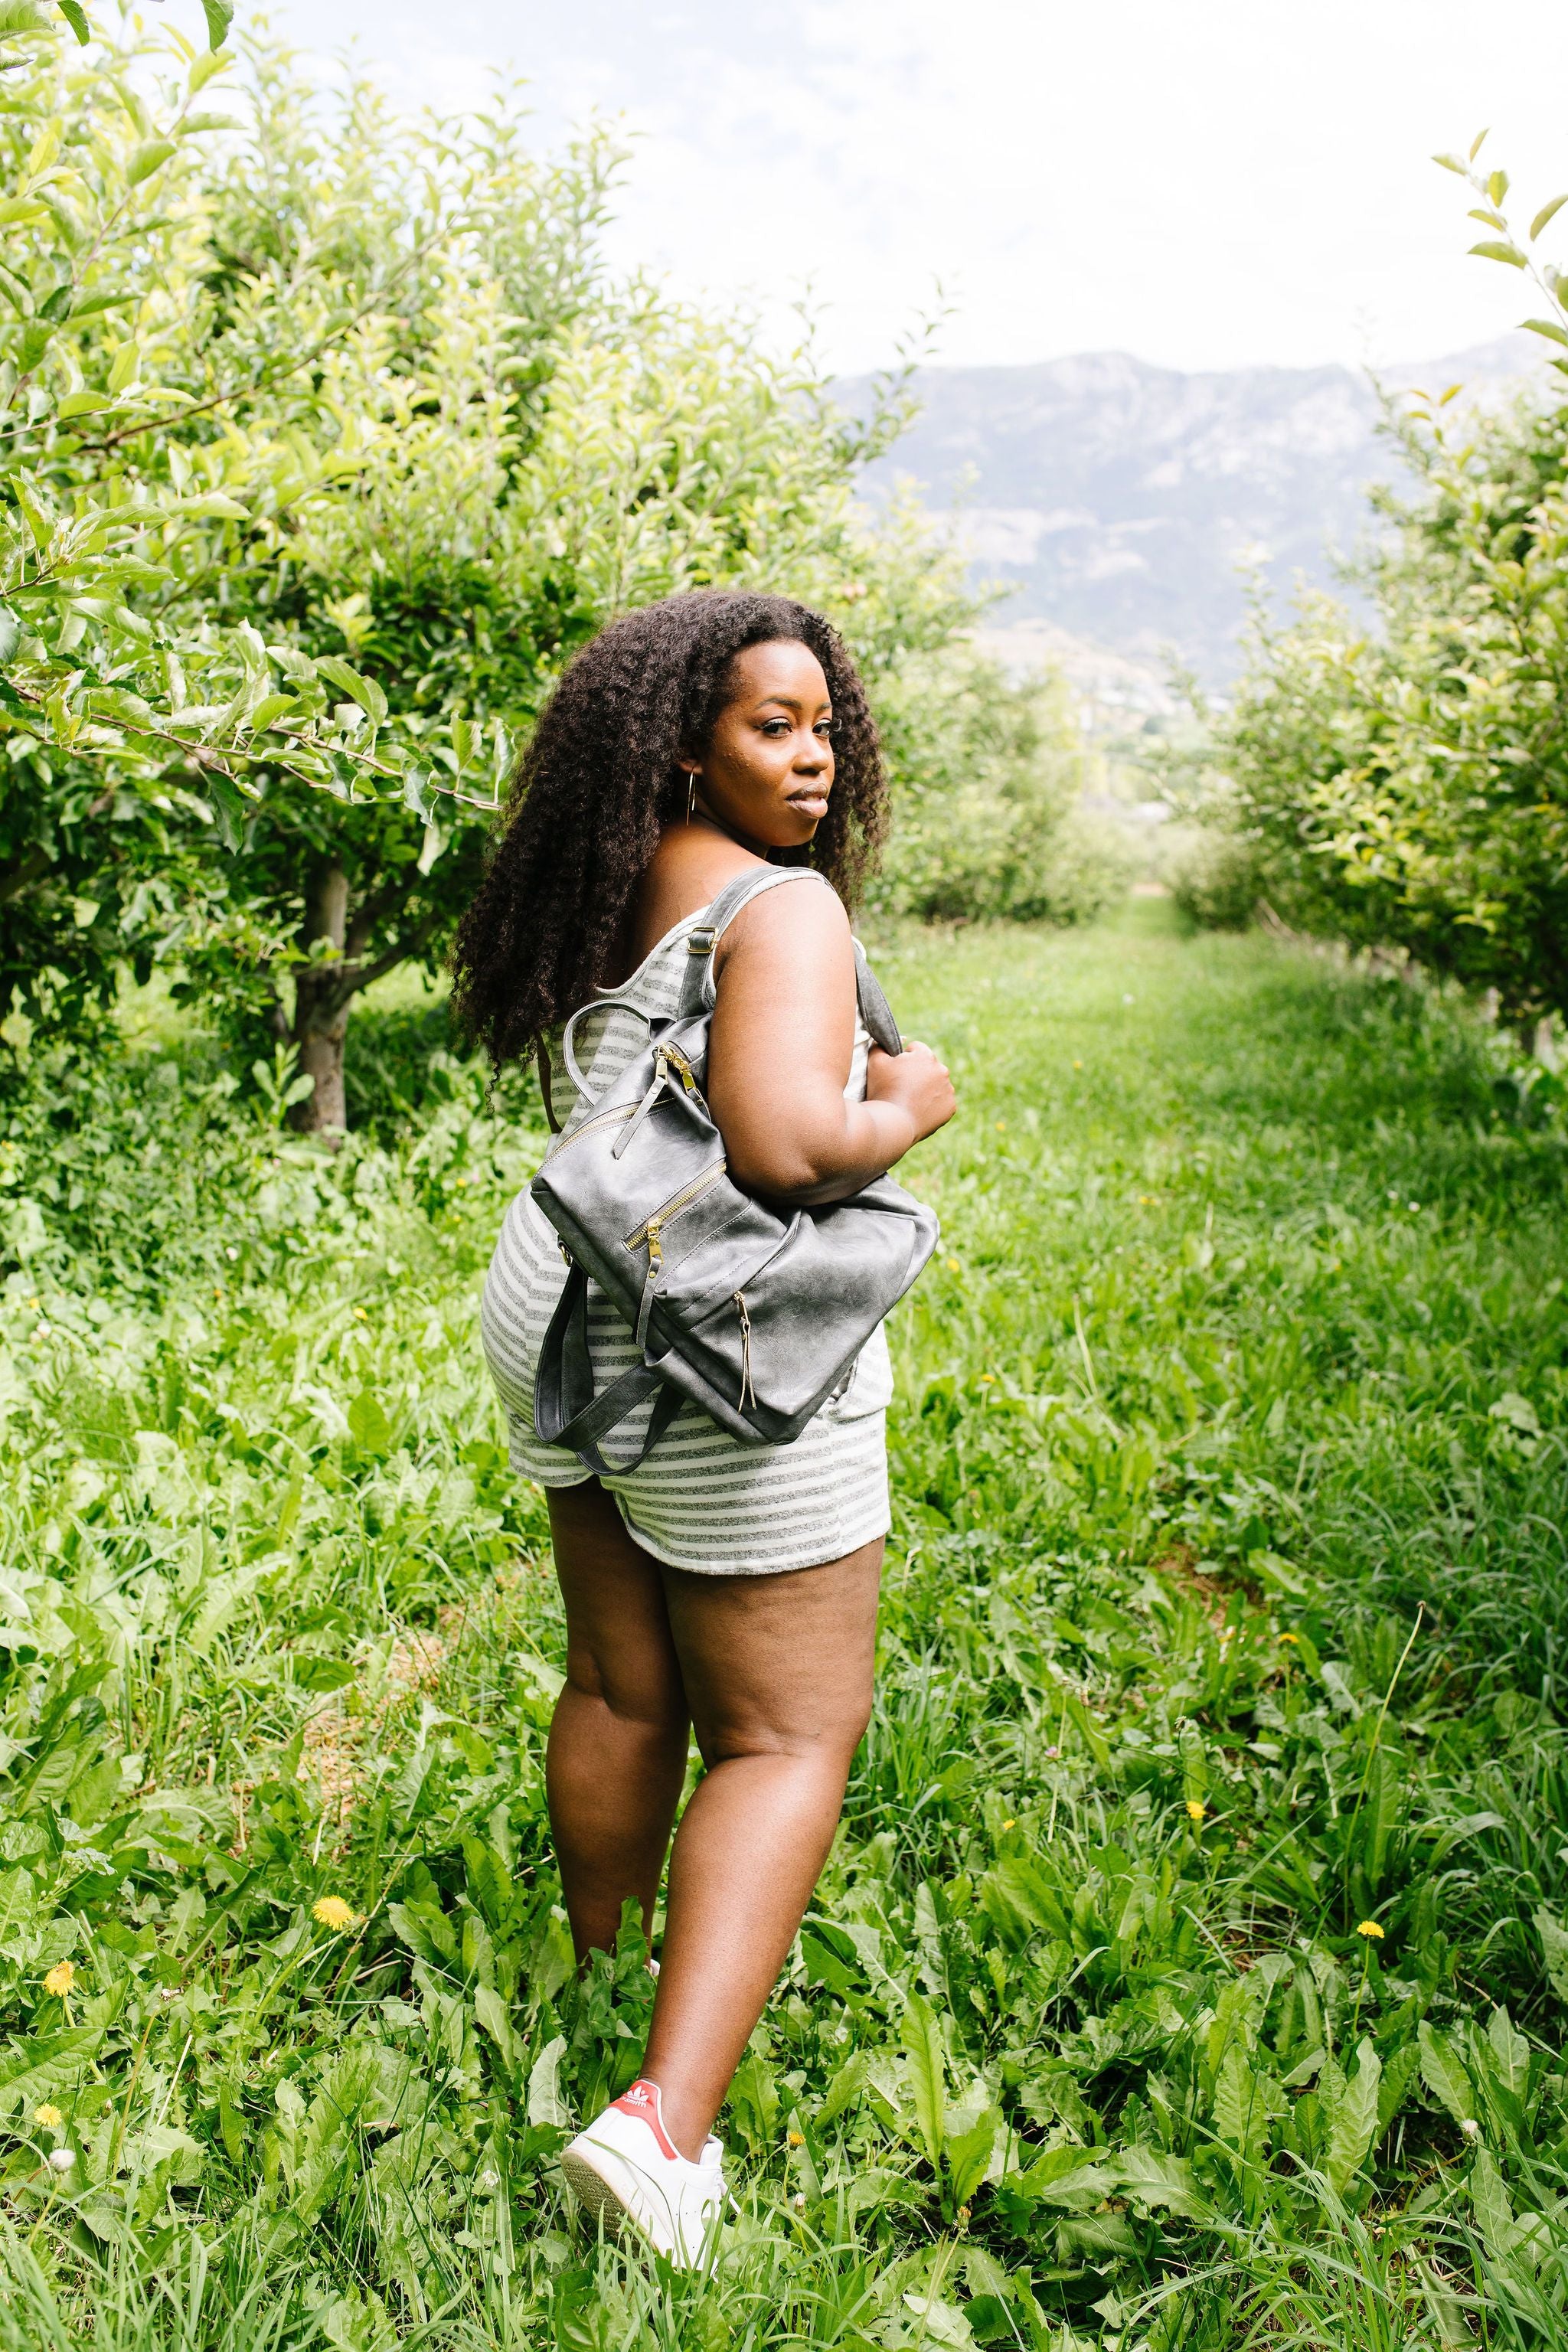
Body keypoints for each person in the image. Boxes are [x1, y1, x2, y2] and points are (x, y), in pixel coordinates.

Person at [452, 590, 956, 2265]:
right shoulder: (785, 908)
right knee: (782, 1736)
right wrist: (911, 1100)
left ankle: (590, 1980)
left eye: (823, 725)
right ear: (689, 742)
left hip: (569, 1280)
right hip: (708, 1329)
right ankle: (661, 2130)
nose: (812, 758)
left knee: (619, 1675)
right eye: (771, 726)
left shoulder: (637, 862)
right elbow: (784, 1147)